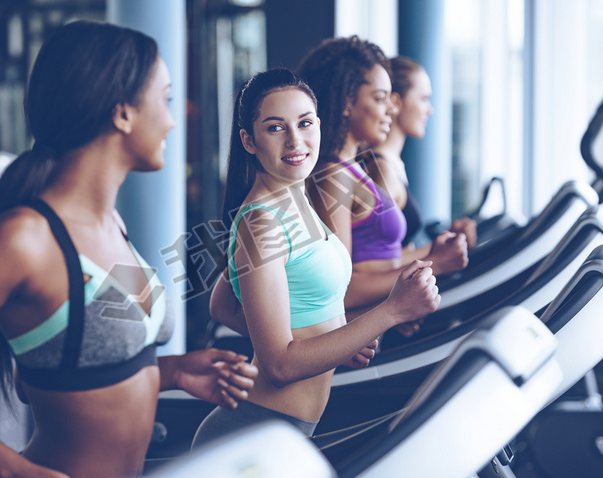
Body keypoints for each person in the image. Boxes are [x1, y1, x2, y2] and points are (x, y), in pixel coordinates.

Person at [0, 20, 257, 478]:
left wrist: (175, 371)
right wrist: (10, 469)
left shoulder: (111, 225)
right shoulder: (24, 239)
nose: (173, 118)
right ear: (122, 114)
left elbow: (74, 369)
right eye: (164, 99)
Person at [192, 68, 440, 448]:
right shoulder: (261, 221)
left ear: (319, 125)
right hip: (255, 432)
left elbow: (222, 305)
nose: (295, 140)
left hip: (286, 429)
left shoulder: (296, 196)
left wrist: (339, 341)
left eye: (305, 123)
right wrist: (391, 312)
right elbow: (278, 365)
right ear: (248, 140)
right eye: (276, 128)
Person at [295, 36, 468, 332]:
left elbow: (375, 262)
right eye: (379, 98)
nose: (391, 109)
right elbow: (339, 291)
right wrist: (433, 264)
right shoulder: (333, 177)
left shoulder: (351, 171)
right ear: (347, 102)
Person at [370, 56, 477, 249]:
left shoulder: (393, 163)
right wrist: (439, 251)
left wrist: (448, 241)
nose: (430, 110)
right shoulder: (380, 170)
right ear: (396, 102)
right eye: (423, 99)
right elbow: (377, 260)